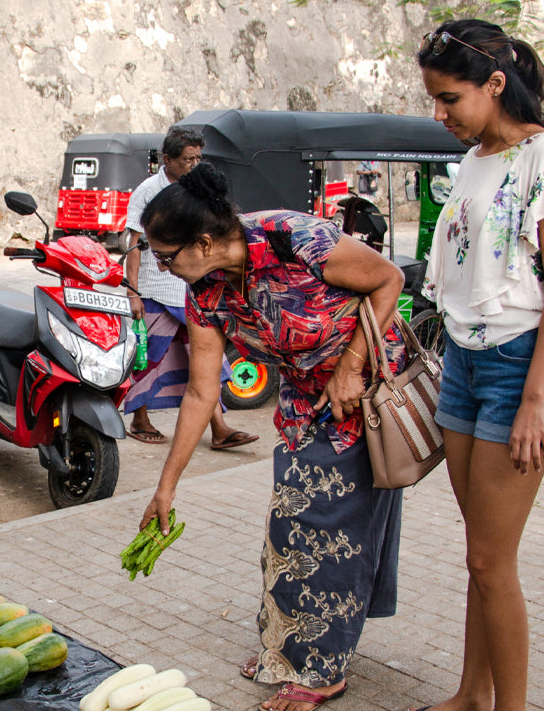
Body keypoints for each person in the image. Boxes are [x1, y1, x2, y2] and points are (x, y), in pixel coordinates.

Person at [139, 162, 408, 711]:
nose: (163, 268)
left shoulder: (295, 238)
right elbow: (200, 394)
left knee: (334, 536)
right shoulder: (205, 293)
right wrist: (166, 487)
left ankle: (323, 671)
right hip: (304, 402)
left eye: (166, 257)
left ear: (205, 241)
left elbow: (389, 280)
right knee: (288, 529)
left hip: (364, 393)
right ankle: (287, 649)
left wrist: (350, 367)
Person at [415, 19, 544, 711]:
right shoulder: (474, 160)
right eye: (433, 99)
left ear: (495, 85)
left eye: (450, 98)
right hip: (463, 361)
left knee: (493, 560)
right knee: (482, 554)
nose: (440, 114)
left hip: (520, 368)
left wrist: (535, 398)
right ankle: (471, 693)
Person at [123, 127, 258, 451]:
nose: (194, 165)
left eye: (199, 158)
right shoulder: (148, 191)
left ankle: (219, 427)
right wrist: (133, 291)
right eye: (187, 159)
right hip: (157, 290)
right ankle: (139, 418)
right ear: (167, 159)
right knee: (149, 357)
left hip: (192, 289)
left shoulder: (195, 193)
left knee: (205, 361)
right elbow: (134, 243)